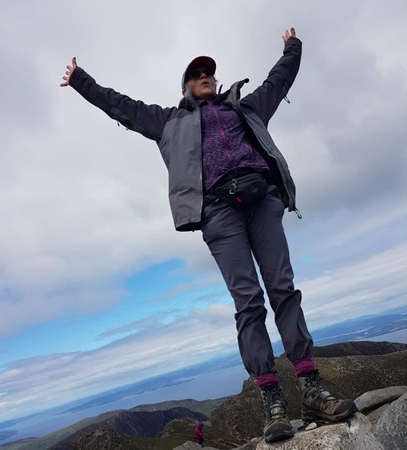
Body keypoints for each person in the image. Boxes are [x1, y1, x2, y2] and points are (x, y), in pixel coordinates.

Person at [59, 27, 357, 444]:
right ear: (185, 85)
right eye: (196, 74)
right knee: (248, 301)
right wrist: (80, 80)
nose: (204, 76)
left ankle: (311, 389)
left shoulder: (245, 108)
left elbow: (278, 80)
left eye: (209, 72)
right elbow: (120, 105)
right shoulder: (168, 120)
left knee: (283, 289)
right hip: (218, 212)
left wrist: (293, 47)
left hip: (262, 201)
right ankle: (272, 400)